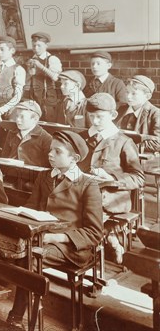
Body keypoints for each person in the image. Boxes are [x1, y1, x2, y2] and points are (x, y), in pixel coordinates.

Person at [6, 130, 103, 329]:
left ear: (74, 159)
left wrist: (56, 237)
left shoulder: (88, 185)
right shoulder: (45, 177)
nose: (50, 154)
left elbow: (94, 233)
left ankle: (16, 317)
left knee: (29, 259)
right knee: (6, 248)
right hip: (41, 238)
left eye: (57, 152)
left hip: (73, 247)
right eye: (50, 150)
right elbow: (32, 209)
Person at [80, 93, 144, 264]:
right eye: (91, 116)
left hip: (111, 197)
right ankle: (107, 237)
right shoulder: (83, 137)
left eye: (100, 117)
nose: (95, 121)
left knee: (81, 215)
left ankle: (99, 242)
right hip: (83, 192)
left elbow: (138, 178)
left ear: (113, 115)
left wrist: (112, 178)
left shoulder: (123, 142)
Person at [0, 100, 52, 168]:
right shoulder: (12, 133)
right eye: (17, 116)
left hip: (32, 177)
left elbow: (48, 166)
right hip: (10, 175)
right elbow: (4, 157)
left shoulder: (46, 138)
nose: (18, 120)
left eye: (22, 117)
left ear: (35, 119)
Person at [118, 75, 160, 153]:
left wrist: (126, 146)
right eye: (127, 92)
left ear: (147, 96)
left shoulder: (155, 114)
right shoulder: (121, 110)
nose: (128, 96)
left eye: (134, 94)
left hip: (141, 161)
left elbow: (158, 143)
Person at [26, 32, 62, 122]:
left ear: (46, 45)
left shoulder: (52, 59)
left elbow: (55, 78)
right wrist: (29, 74)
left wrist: (41, 67)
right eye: (34, 45)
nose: (36, 48)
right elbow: (27, 81)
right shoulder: (32, 59)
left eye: (39, 45)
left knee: (49, 124)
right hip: (34, 98)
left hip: (48, 98)